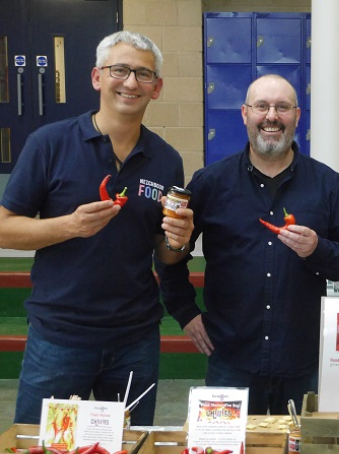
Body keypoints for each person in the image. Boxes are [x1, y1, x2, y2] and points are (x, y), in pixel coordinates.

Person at [0, 31, 194, 425]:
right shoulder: (49, 143)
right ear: (96, 77)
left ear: (156, 88)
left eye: (143, 74)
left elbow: (165, 252)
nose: (130, 82)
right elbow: (4, 229)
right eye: (119, 70)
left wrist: (181, 241)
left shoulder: (166, 160)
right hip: (60, 337)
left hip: (135, 339)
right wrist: (69, 226)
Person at [156, 74, 339, 414]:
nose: (271, 116)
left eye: (282, 107)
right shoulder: (211, 182)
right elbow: (170, 250)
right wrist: (185, 312)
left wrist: (317, 249)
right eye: (262, 107)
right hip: (231, 358)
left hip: (302, 360)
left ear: (297, 116)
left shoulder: (326, 183)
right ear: (244, 114)